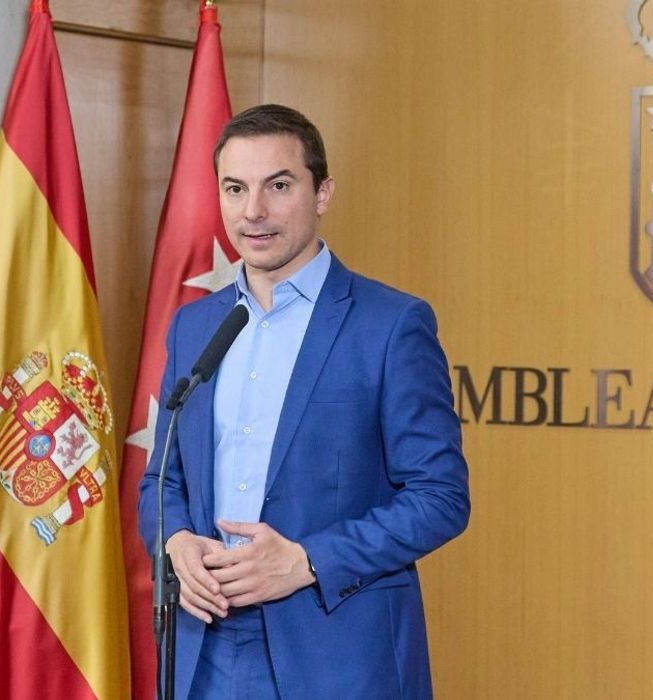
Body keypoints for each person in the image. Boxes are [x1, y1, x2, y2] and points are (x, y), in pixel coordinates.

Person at [138, 104, 470, 699]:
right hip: (203, 650)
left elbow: (440, 497)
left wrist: (306, 561)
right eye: (235, 189)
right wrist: (177, 542)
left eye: (279, 186)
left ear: (322, 193)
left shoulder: (391, 325)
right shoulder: (195, 327)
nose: (253, 211)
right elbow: (162, 479)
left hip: (337, 653)